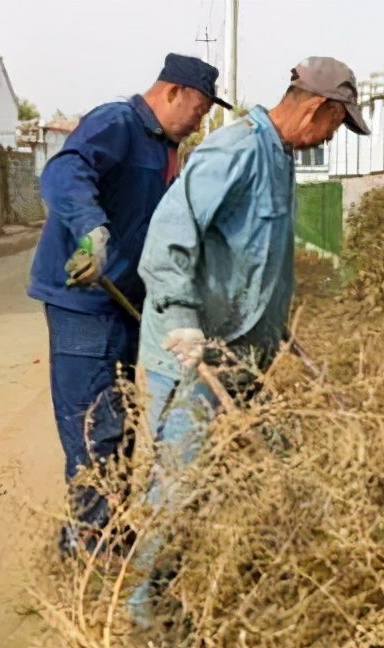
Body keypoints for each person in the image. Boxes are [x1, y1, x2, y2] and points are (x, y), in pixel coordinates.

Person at [127, 57, 370, 627]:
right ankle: (143, 609)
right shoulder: (235, 150)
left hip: (241, 355)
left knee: (224, 483)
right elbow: (169, 236)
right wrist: (183, 318)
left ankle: (193, 591)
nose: (331, 137)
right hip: (191, 355)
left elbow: (254, 259)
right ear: (318, 108)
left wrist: (277, 329)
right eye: (337, 125)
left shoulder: (279, 159)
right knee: (181, 486)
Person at [27, 54, 231, 555]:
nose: (200, 121)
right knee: (95, 425)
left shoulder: (166, 148)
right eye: (200, 109)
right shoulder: (117, 123)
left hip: (123, 306)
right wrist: (91, 231)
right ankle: (93, 545)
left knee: (118, 427)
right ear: (172, 93)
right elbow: (64, 172)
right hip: (85, 301)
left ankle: (100, 532)